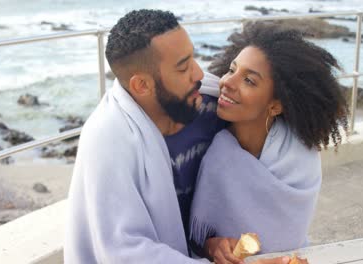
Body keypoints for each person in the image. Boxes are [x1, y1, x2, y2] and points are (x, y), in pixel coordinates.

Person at [64, 9, 295, 264]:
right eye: (183, 67)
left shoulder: (211, 107)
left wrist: (211, 244)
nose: (199, 74)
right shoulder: (107, 139)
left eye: (193, 58)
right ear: (141, 85)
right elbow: (123, 252)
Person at [189, 22, 348, 264]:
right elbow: (196, 237)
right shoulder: (217, 154)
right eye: (232, 70)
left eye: (249, 81)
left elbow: (289, 240)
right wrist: (213, 247)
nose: (227, 83)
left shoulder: (300, 157)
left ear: (275, 105)